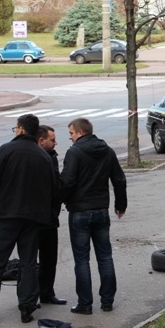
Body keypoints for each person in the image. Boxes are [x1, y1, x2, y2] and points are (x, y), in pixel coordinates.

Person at [0, 114, 58, 324]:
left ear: (21, 129)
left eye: (16, 128)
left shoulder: (7, 149)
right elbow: (51, 188)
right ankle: (27, 307)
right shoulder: (43, 155)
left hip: (7, 215)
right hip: (33, 218)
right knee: (28, 263)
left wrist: (6, 194)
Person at [61, 117, 127, 314]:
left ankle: (85, 304)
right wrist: (120, 204)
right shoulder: (107, 151)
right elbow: (119, 179)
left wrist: (61, 199)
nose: (70, 138)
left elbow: (68, 181)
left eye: (71, 133)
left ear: (80, 133)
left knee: (81, 260)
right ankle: (107, 301)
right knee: (105, 257)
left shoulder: (74, 152)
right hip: (101, 211)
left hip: (79, 212)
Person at [36, 125, 66, 306]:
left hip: (50, 216)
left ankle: (47, 292)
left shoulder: (52, 157)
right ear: (41, 140)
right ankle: (29, 296)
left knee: (49, 257)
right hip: (34, 217)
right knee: (30, 259)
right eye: (52, 140)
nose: (56, 143)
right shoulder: (33, 158)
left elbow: (56, 185)